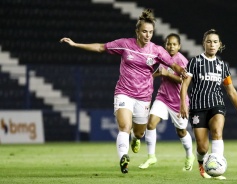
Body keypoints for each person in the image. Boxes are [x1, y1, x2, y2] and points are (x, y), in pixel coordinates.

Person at [60, 9, 188, 174]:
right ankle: (123, 158)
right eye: (144, 31)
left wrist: (181, 71)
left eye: (150, 32)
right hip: (124, 92)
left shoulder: (156, 50)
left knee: (139, 132)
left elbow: (172, 64)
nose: (147, 35)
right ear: (137, 31)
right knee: (124, 126)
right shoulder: (125, 44)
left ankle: (136, 139)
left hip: (143, 96)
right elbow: (100, 47)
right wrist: (75, 44)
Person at [179, 29, 237, 180]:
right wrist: (183, 104)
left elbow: (231, 91)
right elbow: (185, 85)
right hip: (198, 108)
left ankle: (216, 168)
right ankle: (201, 164)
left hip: (216, 105)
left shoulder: (222, 66)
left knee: (217, 132)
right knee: (202, 147)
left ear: (220, 45)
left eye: (215, 42)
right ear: (204, 44)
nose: (212, 44)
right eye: (209, 41)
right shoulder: (195, 62)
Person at [138, 33, 195, 171]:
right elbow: (159, 71)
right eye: (169, 44)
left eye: (174, 44)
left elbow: (185, 81)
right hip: (162, 97)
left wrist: (168, 74)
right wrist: (149, 77)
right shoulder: (163, 57)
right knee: (151, 123)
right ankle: (151, 157)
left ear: (179, 46)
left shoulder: (181, 60)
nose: (171, 46)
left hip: (178, 101)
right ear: (165, 45)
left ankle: (189, 156)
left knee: (181, 132)